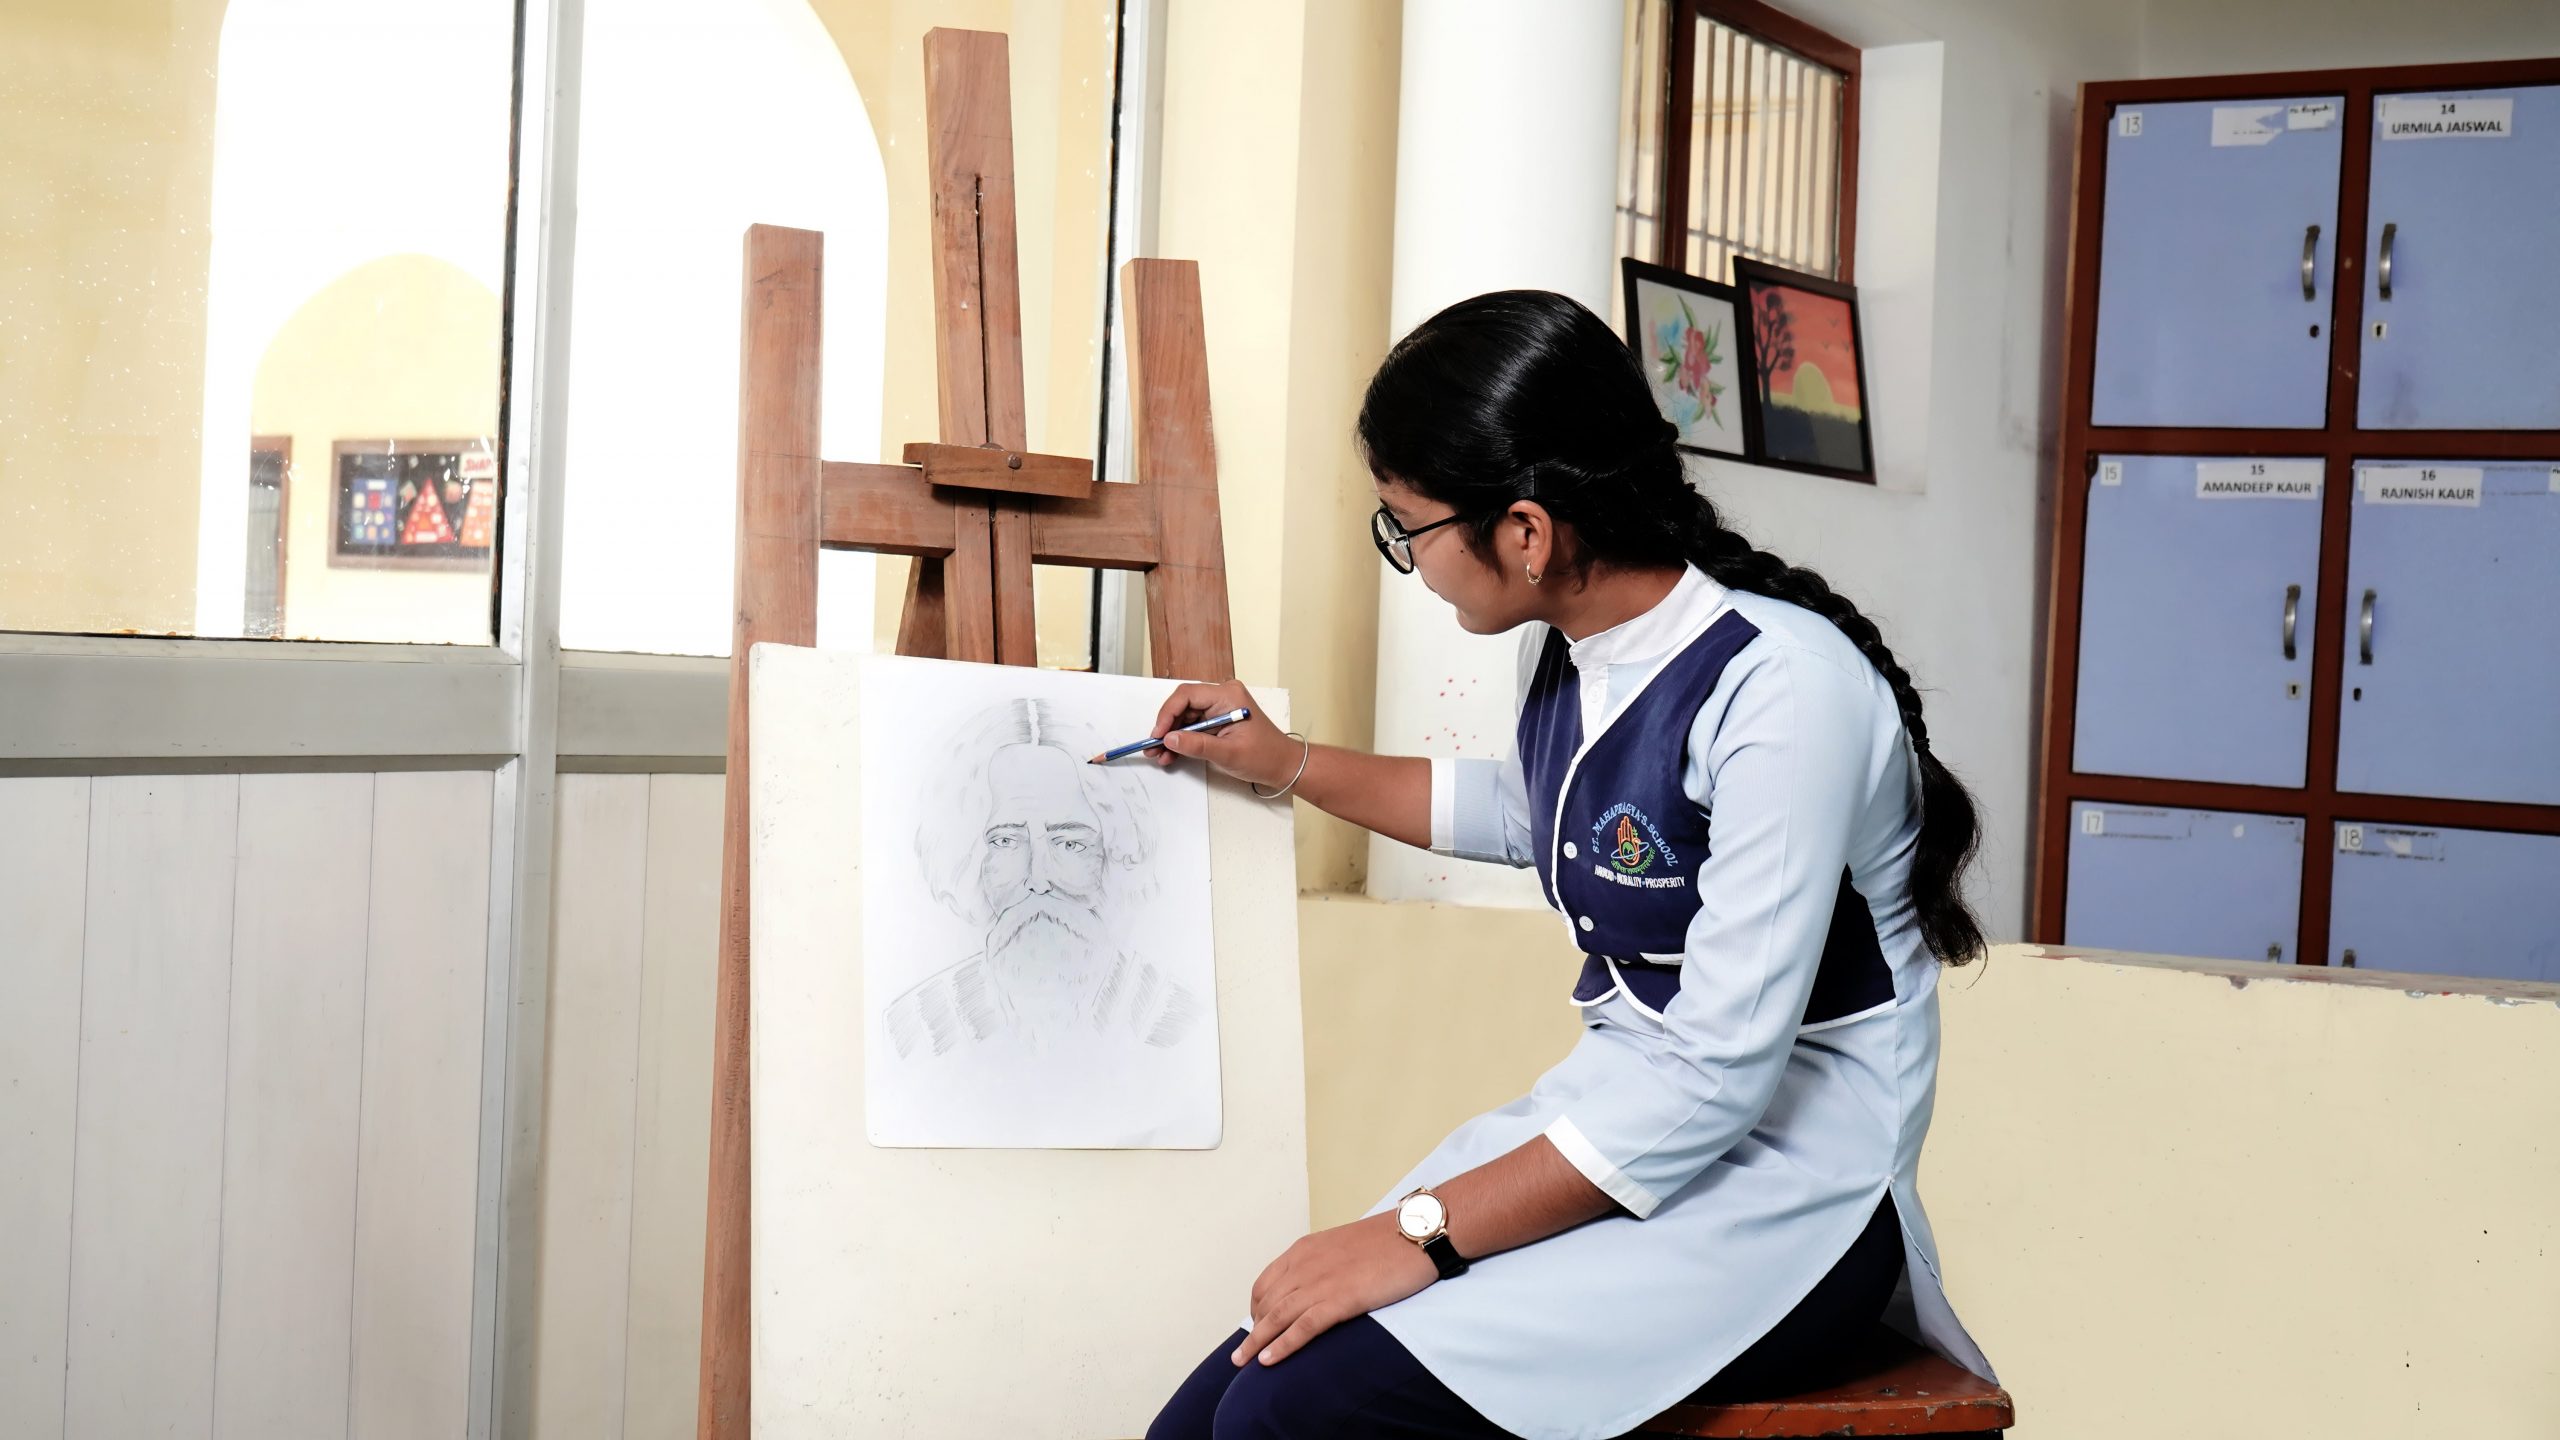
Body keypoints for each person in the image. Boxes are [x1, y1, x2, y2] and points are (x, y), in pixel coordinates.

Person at [1139, 290, 1997, 1440]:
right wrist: (1284, 761)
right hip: (1624, 1134)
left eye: (1407, 527)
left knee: (1282, 1414)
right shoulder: (1572, 652)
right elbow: (1532, 811)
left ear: (1527, 534)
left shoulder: (1780, 692)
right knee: (1206, 1414)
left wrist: (1415, 1234)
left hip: (1791, 1202)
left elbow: (1713, 1080)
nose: (1409, 560)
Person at [884, 696, 1204, 1061]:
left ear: (1112, 849)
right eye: (1005, 841)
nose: (1038, 879)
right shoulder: (918, 1030)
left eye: (1069, 843)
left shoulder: (1176, 1021)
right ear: (967, 855)